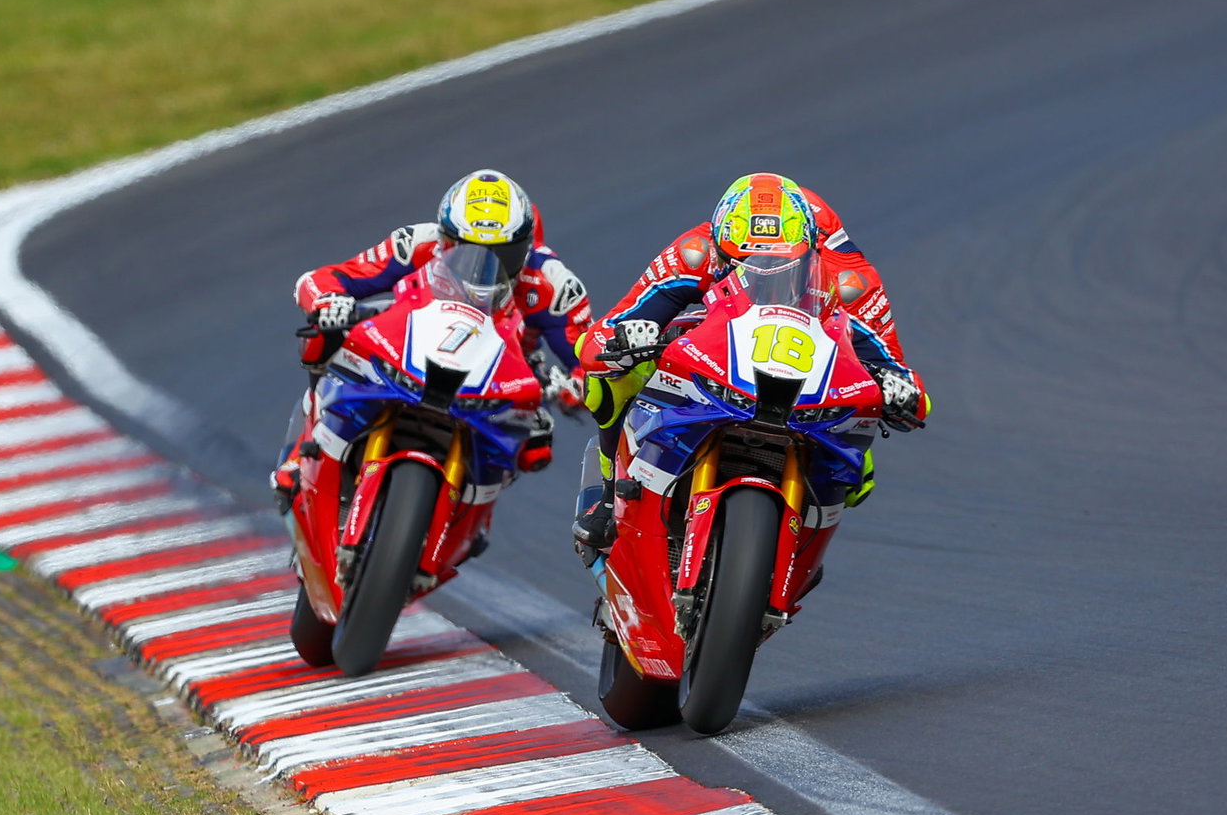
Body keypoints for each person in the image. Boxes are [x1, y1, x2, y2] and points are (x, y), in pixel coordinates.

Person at [572, 172, 929, 550]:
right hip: (717, 348)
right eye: (738, 264)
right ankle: (610, 496)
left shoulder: (848, 278)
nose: (754, 275)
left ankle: (804, 548)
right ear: (719, 245)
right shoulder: (695, 251)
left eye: (779, 268)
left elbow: (902, 379)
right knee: (608, 379)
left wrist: (897, 389)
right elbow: (597, 341)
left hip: (807, 371)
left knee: (859, 472)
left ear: (811, 252)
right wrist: (627, 337)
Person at [274, 169, 592, 498]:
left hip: (500, 376)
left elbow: (591, 357)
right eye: (466, 250)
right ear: (445, 240)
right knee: (326, 338)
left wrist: (574, 388)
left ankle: (475, 511)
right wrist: (328, 302)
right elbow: (322, 279)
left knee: (536, 445)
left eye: (502, 255)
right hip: (411, 345)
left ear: (525, 247)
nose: (482, 268)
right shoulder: (417, 242)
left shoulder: (553, 283)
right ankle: (303, 450)